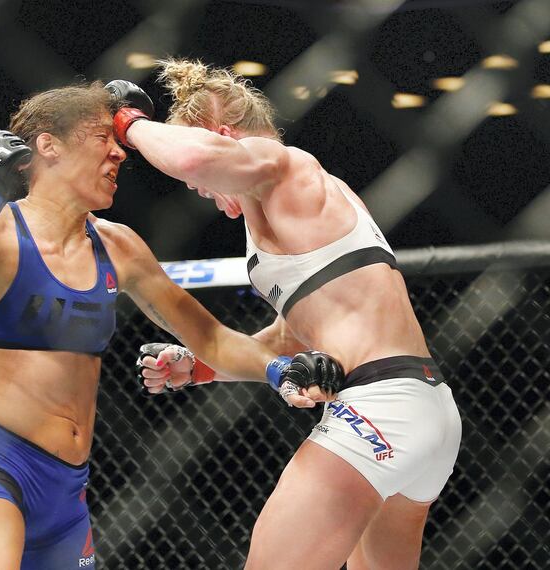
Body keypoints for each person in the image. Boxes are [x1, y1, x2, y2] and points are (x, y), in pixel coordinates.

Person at [0, 81, 344, 570]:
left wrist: (279, 368)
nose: (119, 153)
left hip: (68, 494)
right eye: (102, 138)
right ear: (48, 145)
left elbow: (212, 340)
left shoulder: (119, 246)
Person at [117, 60, 462, 569]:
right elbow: (292, 338)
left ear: (225, 137)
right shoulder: (283, 213)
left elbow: (191, 160)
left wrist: (127, 123)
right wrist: (202, 366)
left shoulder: (282, 164)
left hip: (379, 406)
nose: (196, 189)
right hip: (423, 409)